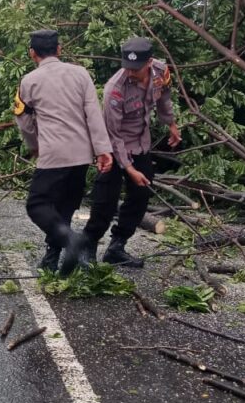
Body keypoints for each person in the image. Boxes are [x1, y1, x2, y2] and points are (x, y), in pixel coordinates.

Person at [14, 29, 113, 275]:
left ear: (32, 54)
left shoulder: (29, 81)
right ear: (59, 50)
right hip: (81, 155)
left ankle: (69, 240)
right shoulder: (81, 74)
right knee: (65, 206)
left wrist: (34, 145)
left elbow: (25, 123)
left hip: (53, 154)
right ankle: (53, 256)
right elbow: (93, 114)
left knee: (37, 205)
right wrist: (102, 150)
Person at [82, 37, 181, 267]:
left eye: (136, 68)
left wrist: (172, 125)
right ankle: (88, 245)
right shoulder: (115, 89)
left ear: (149, 62)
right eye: (127, 66)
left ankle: (117, 247)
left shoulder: (160, 71)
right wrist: (129, 168)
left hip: (140, 143)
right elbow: (113, 134)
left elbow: (164, 98)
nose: (131, 72)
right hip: (114, 148)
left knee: (141, 195)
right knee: (105, 200)